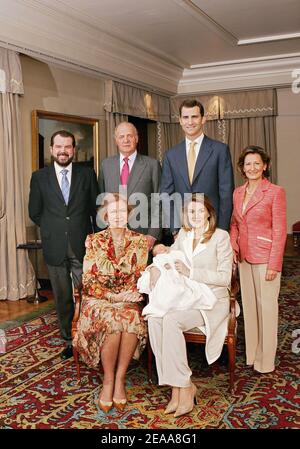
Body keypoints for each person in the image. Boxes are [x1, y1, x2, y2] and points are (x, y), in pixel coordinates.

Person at [148, 194, 233, 418]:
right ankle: (179, 387)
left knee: (171, 320)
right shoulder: (183, 235)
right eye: (190, 212)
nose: (195, 215)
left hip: (211, 301)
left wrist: (191, 272)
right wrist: (156, 268)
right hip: (186, 297)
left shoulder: (220, 237)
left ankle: (183, 387)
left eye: (199, 211)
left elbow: (225, 278)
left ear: (208, 213)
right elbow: (169, 257)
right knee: (155, 318)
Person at [73, 193, 149, 413]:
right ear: (106, 216)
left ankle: (120, 378)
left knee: (131, 317)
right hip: (99, 299)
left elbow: (141, 275)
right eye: (113, 212)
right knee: (113, 320)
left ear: (128, 215)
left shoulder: (140, 241)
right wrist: (112, 297)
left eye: (122, 212)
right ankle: (108, 380)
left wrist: (134, 292)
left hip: (127, 297)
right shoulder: (94, 241)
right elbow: (88, 279)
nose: (117, 216)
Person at [28, 130, 99, 360]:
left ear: (74, 150)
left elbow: (94, 209)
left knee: (87, 293)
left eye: (67, 146)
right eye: (58, 146)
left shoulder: (87, 175)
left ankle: (90, 336)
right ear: (51, 149)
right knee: (63, 296)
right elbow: (35, 212)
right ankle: (69, 340)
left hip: (82, 244)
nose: (63, 151)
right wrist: (54, 229)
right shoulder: (39, 177)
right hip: (54, 246)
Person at [230, 145, 287, 373]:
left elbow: (280, 231)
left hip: (266, 258)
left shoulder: (275, 191)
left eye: (256, 163)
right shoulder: (237, 192)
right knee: (251, 309)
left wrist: (274, 264)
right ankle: (253, 355)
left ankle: (266, 360)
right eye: (248, 164)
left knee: (267, 308)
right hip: (244, 257)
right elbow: (235, 223)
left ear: (265, 166)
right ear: (242, 168)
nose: (252, 167)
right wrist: (234, 242)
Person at [160, 99, 234, 233]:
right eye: (185, 117)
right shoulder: (170, 155)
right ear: (180, 121)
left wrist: (222, 230)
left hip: (212, 227)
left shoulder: (220, 150)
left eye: (194, 117)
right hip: (183, 229)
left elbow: (226, 194)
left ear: (203, 119)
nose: (190, 122)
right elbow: (166, 195)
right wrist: (175, 230)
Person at [98, 121, 161, 250]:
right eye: (121, 136)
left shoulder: (152, 165)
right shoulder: (106, 165)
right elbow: (101, 204)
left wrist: (152, 235)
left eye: (130, 136)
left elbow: (159, 202)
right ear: (116, 140)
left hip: (142, 237)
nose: (126, 140)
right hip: (113, 239)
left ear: (136, 138)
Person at [138, 243, 217, 318]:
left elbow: (179, 255)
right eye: (159, 249)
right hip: (167, 273)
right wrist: (158, 266)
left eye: (163, 246)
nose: (162, 248)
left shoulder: (172, 252)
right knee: (166, 288)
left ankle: (175, 300)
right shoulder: (159, 257)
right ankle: (166, 302)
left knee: (181, 287)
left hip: (183, 273)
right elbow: (159, 262)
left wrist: (173, 253)